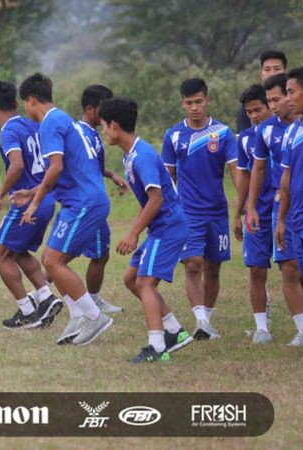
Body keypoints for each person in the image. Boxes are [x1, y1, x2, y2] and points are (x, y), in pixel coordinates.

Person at [11, 73, 114, 346]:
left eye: (26, 105)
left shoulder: (49, 124)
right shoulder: (64, 119)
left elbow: (55, 168)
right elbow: (68, 169)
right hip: (83, 200)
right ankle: (76, 316)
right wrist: (32, 192)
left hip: (83, 203)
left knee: (53, 262)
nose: (26, 111)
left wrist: (34, 204)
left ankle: (93, 315)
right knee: (52, 259)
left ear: (32, 100)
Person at [100, 97, 193, 363]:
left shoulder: (142, 157)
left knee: (145, 283)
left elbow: (157, 198)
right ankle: (174, 331)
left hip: (168, 228)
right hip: (160, 228)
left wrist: (133, 233)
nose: (104, 131)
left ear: (115, 126)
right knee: (132, 279)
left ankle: (158, 347)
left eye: (104, 126)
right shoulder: (131, 155)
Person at [161, 78, 237, 340]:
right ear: (182, 103)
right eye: (189, 103)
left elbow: (235, 170)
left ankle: (209, 321)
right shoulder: (173, 135)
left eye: (198, 102)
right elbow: (168, 178)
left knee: (213, 269)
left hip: (217, 212)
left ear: (207, 100)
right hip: (188, 213)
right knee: (193, 265)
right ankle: (200, 322)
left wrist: (244, 202)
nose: (194, 107)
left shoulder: (224, 133)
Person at [0, 81, 61, 330]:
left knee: (0, 255)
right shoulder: (33, 124)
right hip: (46, 197)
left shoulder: (9, 131)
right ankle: (46, 297)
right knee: (18, 252)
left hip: (28, 200)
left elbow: (16, 165)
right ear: (17, 104)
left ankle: (27, 310)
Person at [248, 73, 303, 346]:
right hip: (287, 212)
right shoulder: (285, 132)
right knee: (289, 269)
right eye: (270, 99)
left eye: (286, 95)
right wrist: (278, 218)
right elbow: (278, 176)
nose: (275, 104)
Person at [77, 85, 127, 314]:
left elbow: (93, 166)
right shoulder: (78, 133)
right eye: (103, 109)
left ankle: (93, 298)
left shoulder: (94, 134)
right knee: (64, 254)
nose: (108, 115)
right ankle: (42, 293)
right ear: (90, 109)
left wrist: (112, 175)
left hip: (94, 203)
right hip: (86, 203)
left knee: (98, 253)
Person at [234, 85, 275, 343]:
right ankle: (262, 328)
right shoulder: (246, 139)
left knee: (296, 270)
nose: (254, 116)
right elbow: (245, 179)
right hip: (256, 213)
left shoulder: (290, 133)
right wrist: (239, 213)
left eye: (258, 109)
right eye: (249, 112)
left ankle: (302, 326)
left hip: (286, 210)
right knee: (256, 269)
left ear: (271, 106)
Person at [277, 66, 303, 358]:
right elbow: (285, 179)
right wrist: (281, 219)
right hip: (295, 218)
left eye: (291, 93)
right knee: (300, 276)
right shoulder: (292, 133)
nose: (288, 100)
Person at [237, 50, 287, 133]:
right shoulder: (250, 101)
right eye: (267, 69)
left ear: (285, 72)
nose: (272, 73)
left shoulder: (295, 98)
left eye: (277, 69)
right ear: (261, 74)